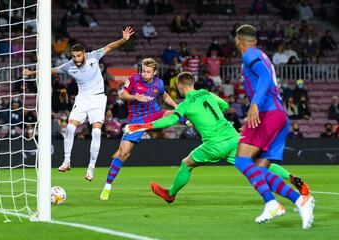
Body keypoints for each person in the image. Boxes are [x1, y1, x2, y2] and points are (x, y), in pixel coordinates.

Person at [125, 72, 309, 206]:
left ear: (181, 86)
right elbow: (224, 105)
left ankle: (170, 194)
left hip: (215, 143)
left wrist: (143, 126)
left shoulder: (186, 103)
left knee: (186, 163)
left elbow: (172, 119)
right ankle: (292, 178)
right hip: (233, 137)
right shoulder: (206, 93)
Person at [23, 27, 135, 181]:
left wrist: (123, 40)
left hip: (97, 99)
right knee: (69, 127)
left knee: (96, 132)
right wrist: (31, 73)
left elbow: (109, 46)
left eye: (78, 55)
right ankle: (67, 160)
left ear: (83, 54)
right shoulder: (69, 66)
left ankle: (91, 167)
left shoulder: (93, 56)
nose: (76, 58)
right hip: (82, 99)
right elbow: (51, 70)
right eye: (74, 56)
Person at [233, 24, 314, 229]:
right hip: (280, 116)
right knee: (258, 172)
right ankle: (291, 202)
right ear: (255, 40)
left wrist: (255, 103)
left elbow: (265, 78)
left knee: (242, 160)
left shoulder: (249, 54)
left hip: (267, 113)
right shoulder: (261, 54)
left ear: (237, 41)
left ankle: (282, 202)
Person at [99, 58, 184, 200]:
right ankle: (107, 187)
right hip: (136, 121)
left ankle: (189, 122)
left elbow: (164, 95)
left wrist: (176, 106)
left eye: (148, 72)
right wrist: (135, 97)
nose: (145, 74)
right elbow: (122, 95)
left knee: (175, 113)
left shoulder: (159, 83)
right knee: (123, 154)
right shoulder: (133, 79)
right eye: (143, 71)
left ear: (154, 72)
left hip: (154, 114)